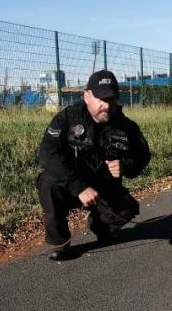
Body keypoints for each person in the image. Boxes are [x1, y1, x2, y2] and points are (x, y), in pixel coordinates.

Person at [36, 70, 151, 260]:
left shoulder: (126, 126)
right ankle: (60, 243)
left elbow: (143, 156)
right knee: (47, 182)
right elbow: (47, 154)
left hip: (104, 188)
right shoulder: (67, 118)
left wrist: (126, 165)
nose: (106, 105)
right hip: (72, 184)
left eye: (112, 99)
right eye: (101, 99)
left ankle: (100, 226)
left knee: (127, 209)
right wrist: (79, 187)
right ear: (87, 96)